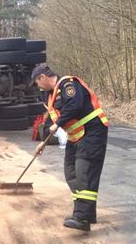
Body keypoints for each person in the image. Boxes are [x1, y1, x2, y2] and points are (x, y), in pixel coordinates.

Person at [32, 64, 108, 232]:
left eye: (37, 82)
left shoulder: (68, 84)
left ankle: (81, 217)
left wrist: (58, 124)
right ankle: (84, 213)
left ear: (42, 78)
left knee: (84, 173)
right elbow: (52, 121)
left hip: (92, 132)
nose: (38, 86)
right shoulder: (51, 96)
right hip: (76, 137)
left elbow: (75, 105)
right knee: (71, 172)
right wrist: (42, 142)